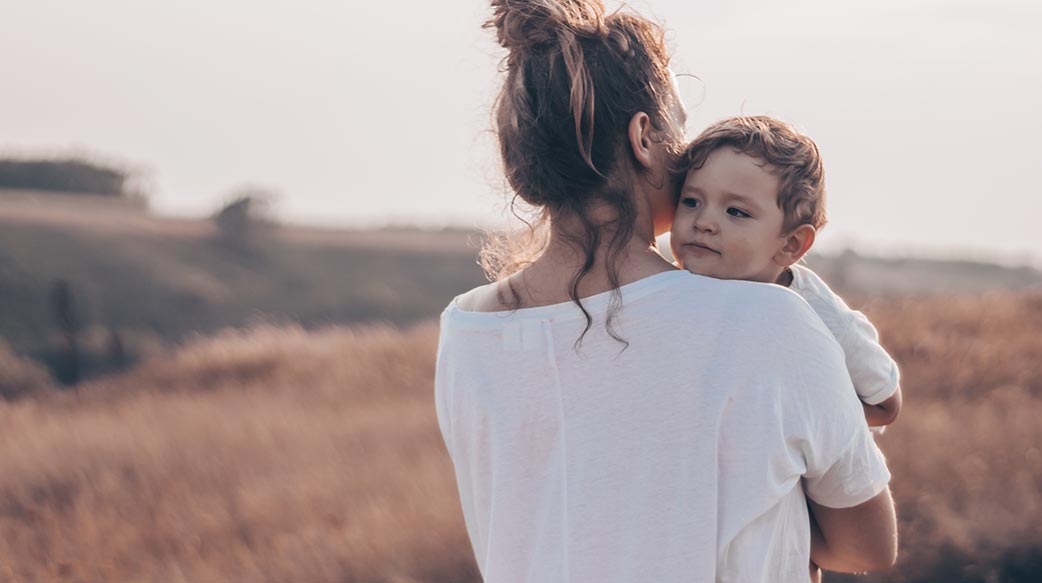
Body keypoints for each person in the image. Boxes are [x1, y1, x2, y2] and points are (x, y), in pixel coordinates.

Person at [434, 1, 898, 581]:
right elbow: (868, 549)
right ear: (644, 138)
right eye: (679, 128)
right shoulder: (769, 320)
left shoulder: (466, 332)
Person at [669, 116, 903, 430]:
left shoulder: (821, 316)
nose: (704, 222)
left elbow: (885, 404)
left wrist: (795, 418)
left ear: (791, 244)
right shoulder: (667, 290)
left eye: (736, 211)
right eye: (691, 201)